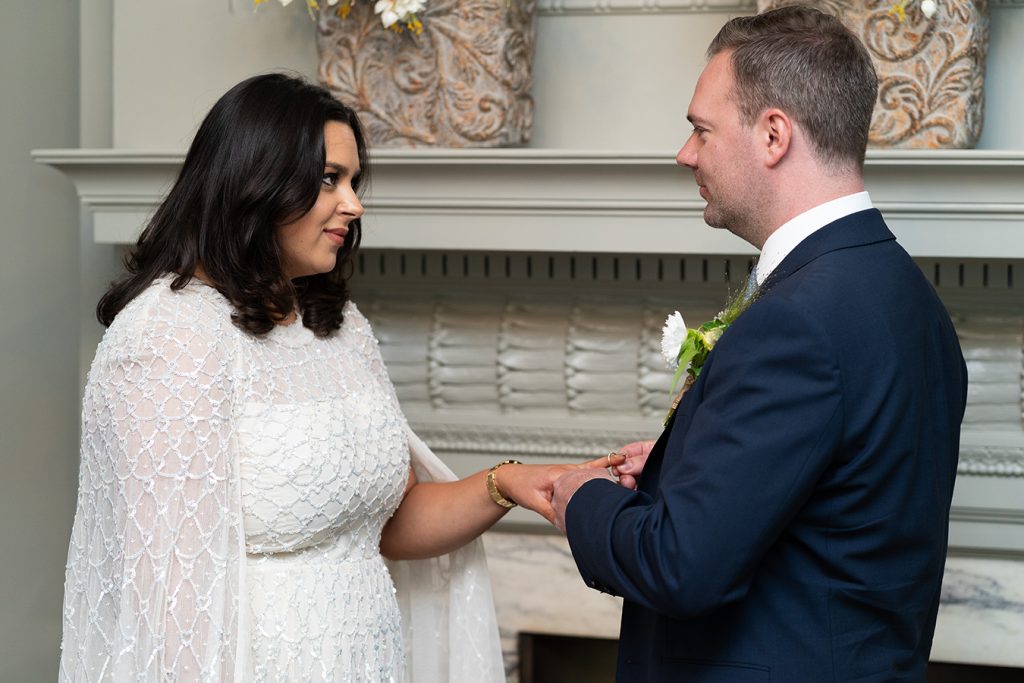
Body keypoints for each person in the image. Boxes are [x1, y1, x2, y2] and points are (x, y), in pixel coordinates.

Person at [59, 73, 615, 682]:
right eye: (330, 180)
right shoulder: (167, 337)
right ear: (256, 181)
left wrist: (510, 483)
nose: (353, 204)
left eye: (353, 181)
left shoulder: (339, 325)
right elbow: (167, 610)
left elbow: (388, 520)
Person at [551, 6, 968, 682]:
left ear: (773, 134)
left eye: (701, 129)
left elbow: (679, 565)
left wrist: (580, 496)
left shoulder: (796, 318)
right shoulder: (912, 300)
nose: (685, 153)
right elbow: (834, 497)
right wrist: (679, 463)